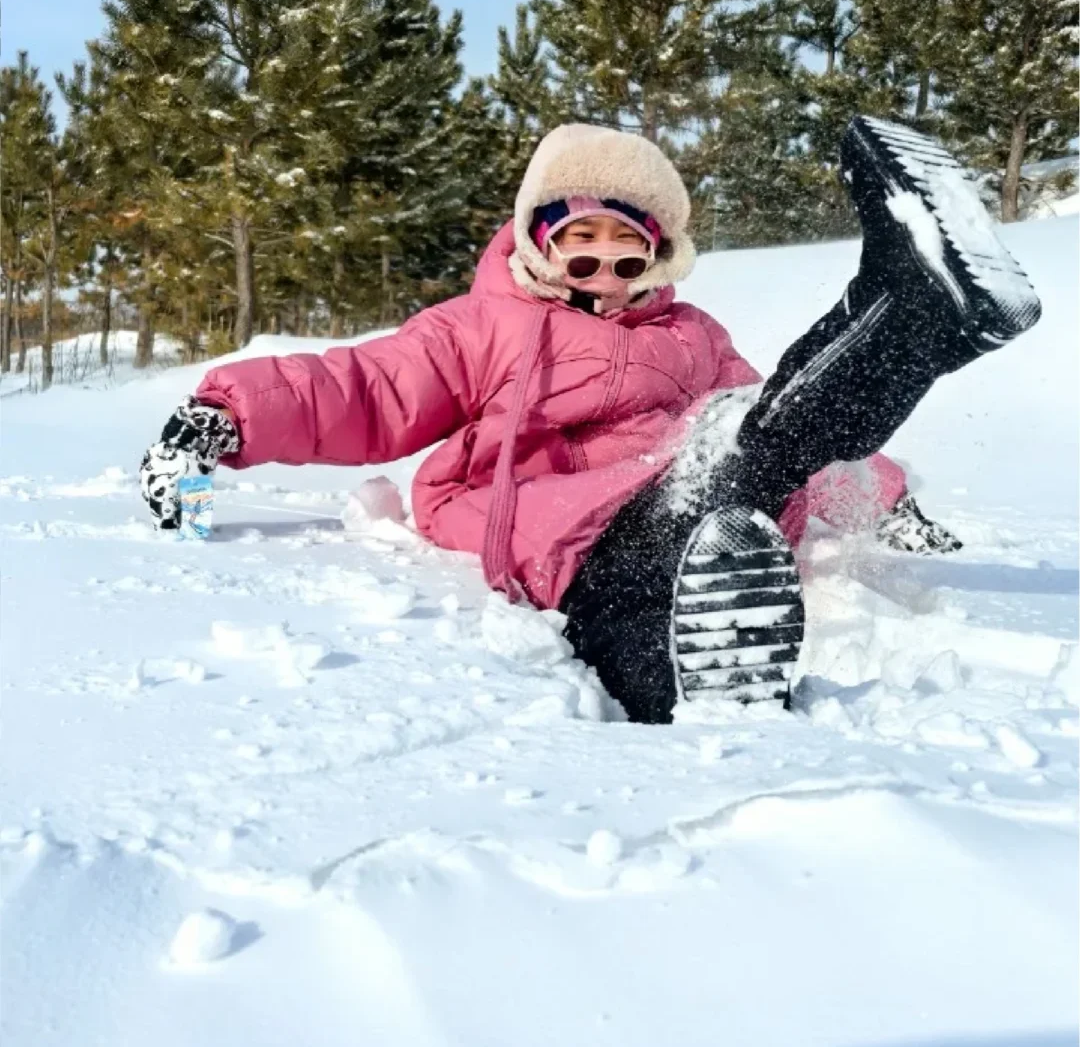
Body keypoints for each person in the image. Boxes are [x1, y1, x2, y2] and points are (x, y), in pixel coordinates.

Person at [140, 118, 1040, 723]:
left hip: (708, 503)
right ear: (541, 242)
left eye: (626, 256)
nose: (603, 275)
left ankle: (921, 321)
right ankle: (916, 323)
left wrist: (877, 499)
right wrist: (222, 417)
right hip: (566, 532)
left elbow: (793, 421)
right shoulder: (482, 323)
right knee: (640, 613)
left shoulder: (692, 335)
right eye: (583, 251)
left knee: (749, 441)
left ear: (659, 255)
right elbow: (367, 386)